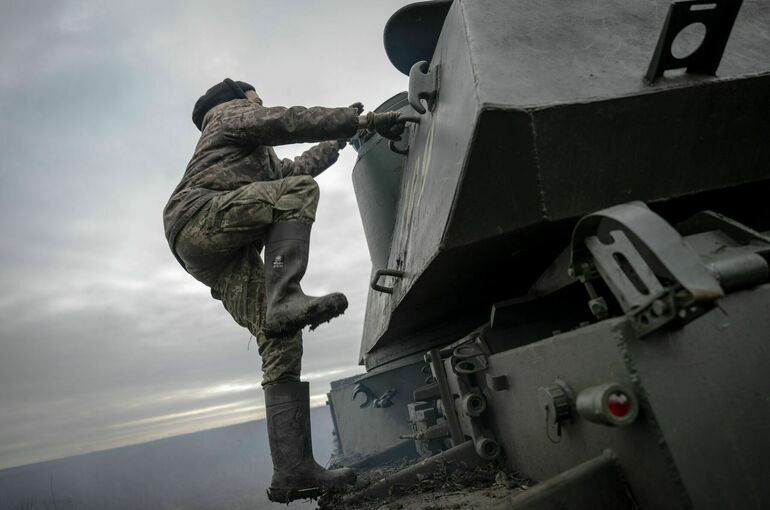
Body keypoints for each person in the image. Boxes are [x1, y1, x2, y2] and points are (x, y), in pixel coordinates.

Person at [162, 78, 403, 503]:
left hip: (210, 251)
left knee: (280, 336)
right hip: (198, 218)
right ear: (240, 98)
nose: (260, 103)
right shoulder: (226, 115)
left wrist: (340, 137)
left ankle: (292, 469)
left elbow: (295, 170)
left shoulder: (255, 158)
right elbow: (287, 122)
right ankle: (286, 293)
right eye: (256, 98)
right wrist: (359, 119)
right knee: (297, 194)